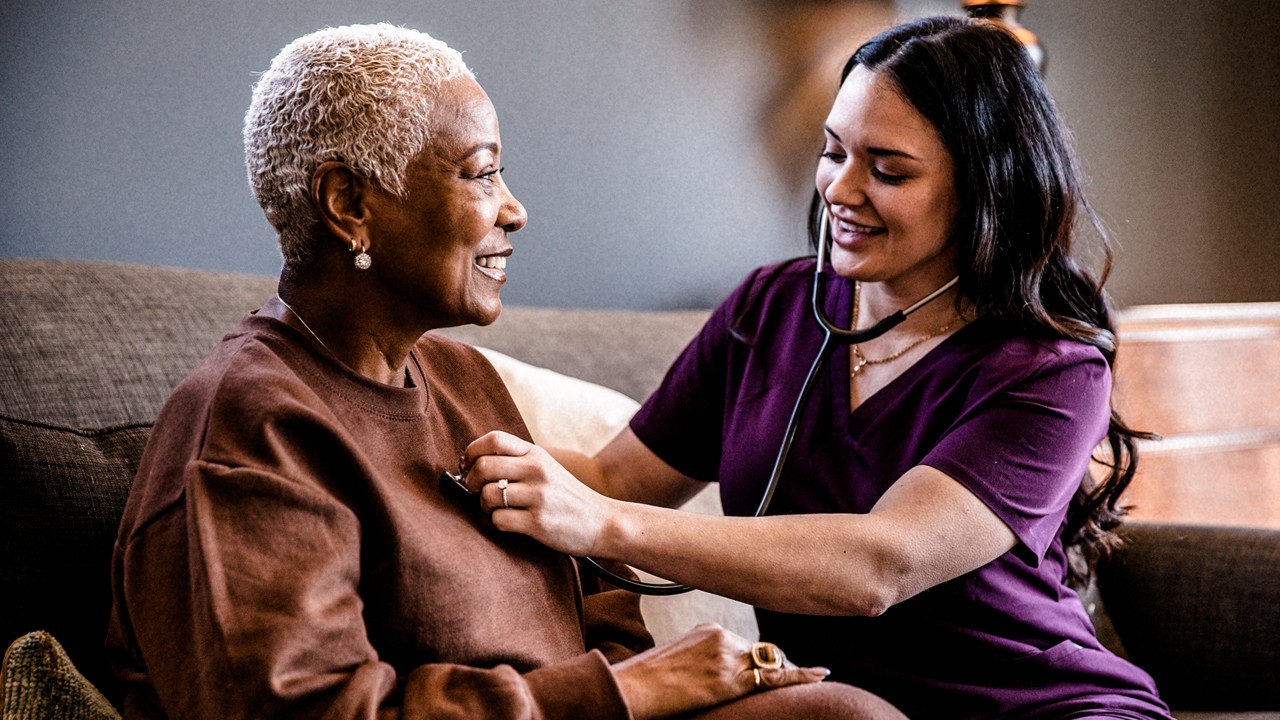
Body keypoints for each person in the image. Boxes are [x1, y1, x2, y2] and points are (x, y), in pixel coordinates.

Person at [104, 23, 906, 720]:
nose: (514, 209)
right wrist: (625, 691)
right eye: (482, 173)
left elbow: (600, 598)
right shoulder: (252, 427)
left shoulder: (461, 380)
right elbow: (307, 709)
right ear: (349, 204)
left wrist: (642, 680)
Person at [461, 16, 1175, 720]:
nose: (840, 189)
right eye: (834, 152)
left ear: (987, 185)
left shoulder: (1052, 372)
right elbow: (615, 477)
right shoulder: (768, 308)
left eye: (888, 170)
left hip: (1046, 708)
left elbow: (880, 566)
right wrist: (437, 448)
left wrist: (603, 525)